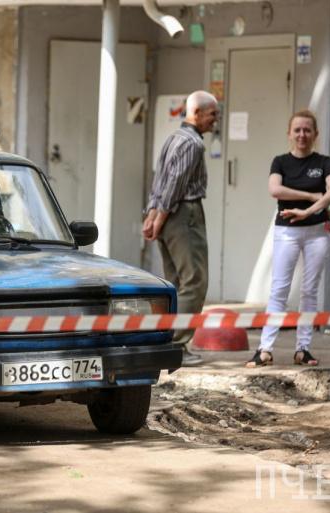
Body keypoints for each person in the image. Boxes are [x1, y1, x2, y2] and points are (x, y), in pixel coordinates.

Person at [246, 110, 330, 368]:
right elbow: (275, 189)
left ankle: (303, 349)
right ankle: (265, 349)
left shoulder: (324, 162)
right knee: (279, 289)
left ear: (315, 134)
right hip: (286, 232)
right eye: (297, 130)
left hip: (317, 231)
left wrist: (308, 212)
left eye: (307, 130)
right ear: (289, 133)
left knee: (309, 290)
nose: (302, 135)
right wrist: (312, 197)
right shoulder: (280, 162)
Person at [143, 91, 219, 367]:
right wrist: (159, 217)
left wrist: (152, 214)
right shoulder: (193, 143)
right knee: (194, 281)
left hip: (167, 214)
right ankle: (176, 344)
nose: (215, 120)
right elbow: (174, 183)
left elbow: (159, 180)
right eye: (212, 114)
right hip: (184, 214)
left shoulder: (173, 137)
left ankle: (166, 343)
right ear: (196, 113)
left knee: (175, 283)